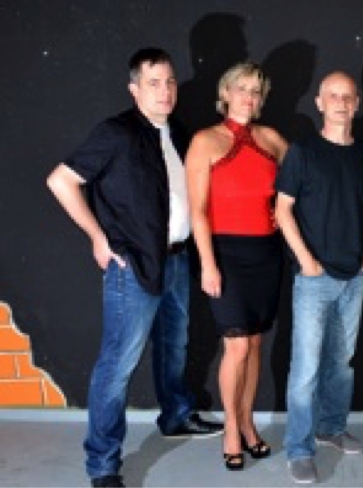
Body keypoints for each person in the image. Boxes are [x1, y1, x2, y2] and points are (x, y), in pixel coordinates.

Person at [45, 47, 223, 488]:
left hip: (177, 261)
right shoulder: (116, 133)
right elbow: (61, 180)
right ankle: (103, 465)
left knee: (174, 346)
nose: (165, 91)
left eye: (170, 82)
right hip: (134, 266)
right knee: (117, 366)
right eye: (153, 83)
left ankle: (176, 415)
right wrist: (97, 236)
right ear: (134, 89)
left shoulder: (178, 133)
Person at [275, 71, 363, 484]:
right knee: (305, 369)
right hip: (314, 279)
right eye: (333, 96)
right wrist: (306, 260)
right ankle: (299, 450)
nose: (341, 102)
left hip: (355, 275)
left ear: (356, 104)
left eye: (348, 96)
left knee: (342, 363)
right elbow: (282, 209)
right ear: (319, 103)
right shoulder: (302, 152)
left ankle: (331, 428)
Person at [185, 62, 288, 471]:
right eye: (241, 88)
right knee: (238, 346)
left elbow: (301, 183)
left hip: (267, 254)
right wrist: (208, 265)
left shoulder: (272, 139)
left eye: (255, 91)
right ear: (225, 93)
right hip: (225, 254)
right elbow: (197, 211)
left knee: (256, 343)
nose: (248, 97)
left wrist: (284, 210)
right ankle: (231, 425)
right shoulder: (205, 140)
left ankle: (247, 422)